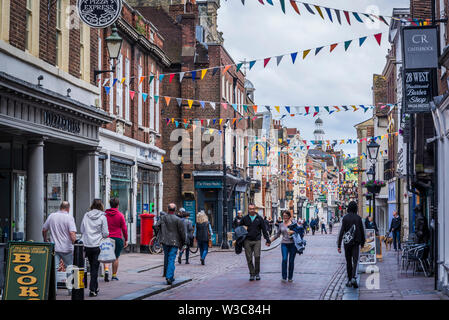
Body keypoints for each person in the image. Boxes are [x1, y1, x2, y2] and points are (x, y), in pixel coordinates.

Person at [42, 201, 77, 295]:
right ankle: (70, 290)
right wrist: (76, 244)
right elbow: (72, 233)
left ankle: (54, 291)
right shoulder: (69, 218)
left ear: (60, 207)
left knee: (54, 269)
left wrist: (45, 240)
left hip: (55, 248)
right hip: (67, 248)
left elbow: (44, 230)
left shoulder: (52, 216)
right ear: (68, 208)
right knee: (70, 268)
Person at [80, 199, 109, 297]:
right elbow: (105, 233)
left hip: (87, 245)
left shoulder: (86, 215)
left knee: (89, 267)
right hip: (97, 245)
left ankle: (95, 288)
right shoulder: (102, 217)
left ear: (92, 205)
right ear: (101, 206)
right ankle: (92, 290)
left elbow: (82, 229)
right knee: (94, 268)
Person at [153, 203, 186, 284]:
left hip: (165, 241)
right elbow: (182, 233)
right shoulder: (178, 220)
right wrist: (184, 243)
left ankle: (170, 276)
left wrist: (159, 235)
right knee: (171, 259)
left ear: (167, 209)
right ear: (175, 210)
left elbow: (156, 226)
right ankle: (169, 277)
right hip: (174, 242)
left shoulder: (163, 218)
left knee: (167, 258)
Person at [337, 201, 365, 288]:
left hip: (347, 243)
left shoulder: (345, 218)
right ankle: (353, 277)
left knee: (348, 261)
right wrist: (363, 242)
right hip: (356, 242)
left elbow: (341, 232)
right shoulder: (358, 218)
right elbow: (361, 231)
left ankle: (349, 280)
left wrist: (339, 245)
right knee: (355, 260)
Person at [239, 204, 271, 281]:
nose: (252, 210)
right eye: (250, 209)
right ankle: (252, 274)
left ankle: (257, 273)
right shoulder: (244, 218)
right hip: (247, 240)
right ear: (248, 210)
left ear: (255, 209)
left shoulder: (259, 218)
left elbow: (264, 230)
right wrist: (239, 240)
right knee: (249, 258)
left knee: (257, 257)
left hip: (257, 240)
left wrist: (267, 240)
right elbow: (239, 229)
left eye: (253, 209)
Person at [103, 198, 128, 282]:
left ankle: (106, 270)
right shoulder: (120, 215)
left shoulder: (105, 215)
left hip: (107, 238)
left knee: (106, 256)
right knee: (116, 257)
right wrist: (126, 239)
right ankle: (114, 275)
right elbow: (124, 228)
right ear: (118, 205)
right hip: (117, 238)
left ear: (110, 204)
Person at [270, 210, 298, 282]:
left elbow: (300, 232)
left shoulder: (293, 224)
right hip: (284, 244)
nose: (285, 217)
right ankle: (284, 277)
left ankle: (290, 277)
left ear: (289, 217)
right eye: (283, 216)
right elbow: (277, 235)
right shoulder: (281, 225)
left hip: (292, 244)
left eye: (286, 216)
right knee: (284, 259)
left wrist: (294, 232)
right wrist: (270, 241)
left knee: (291, 261)